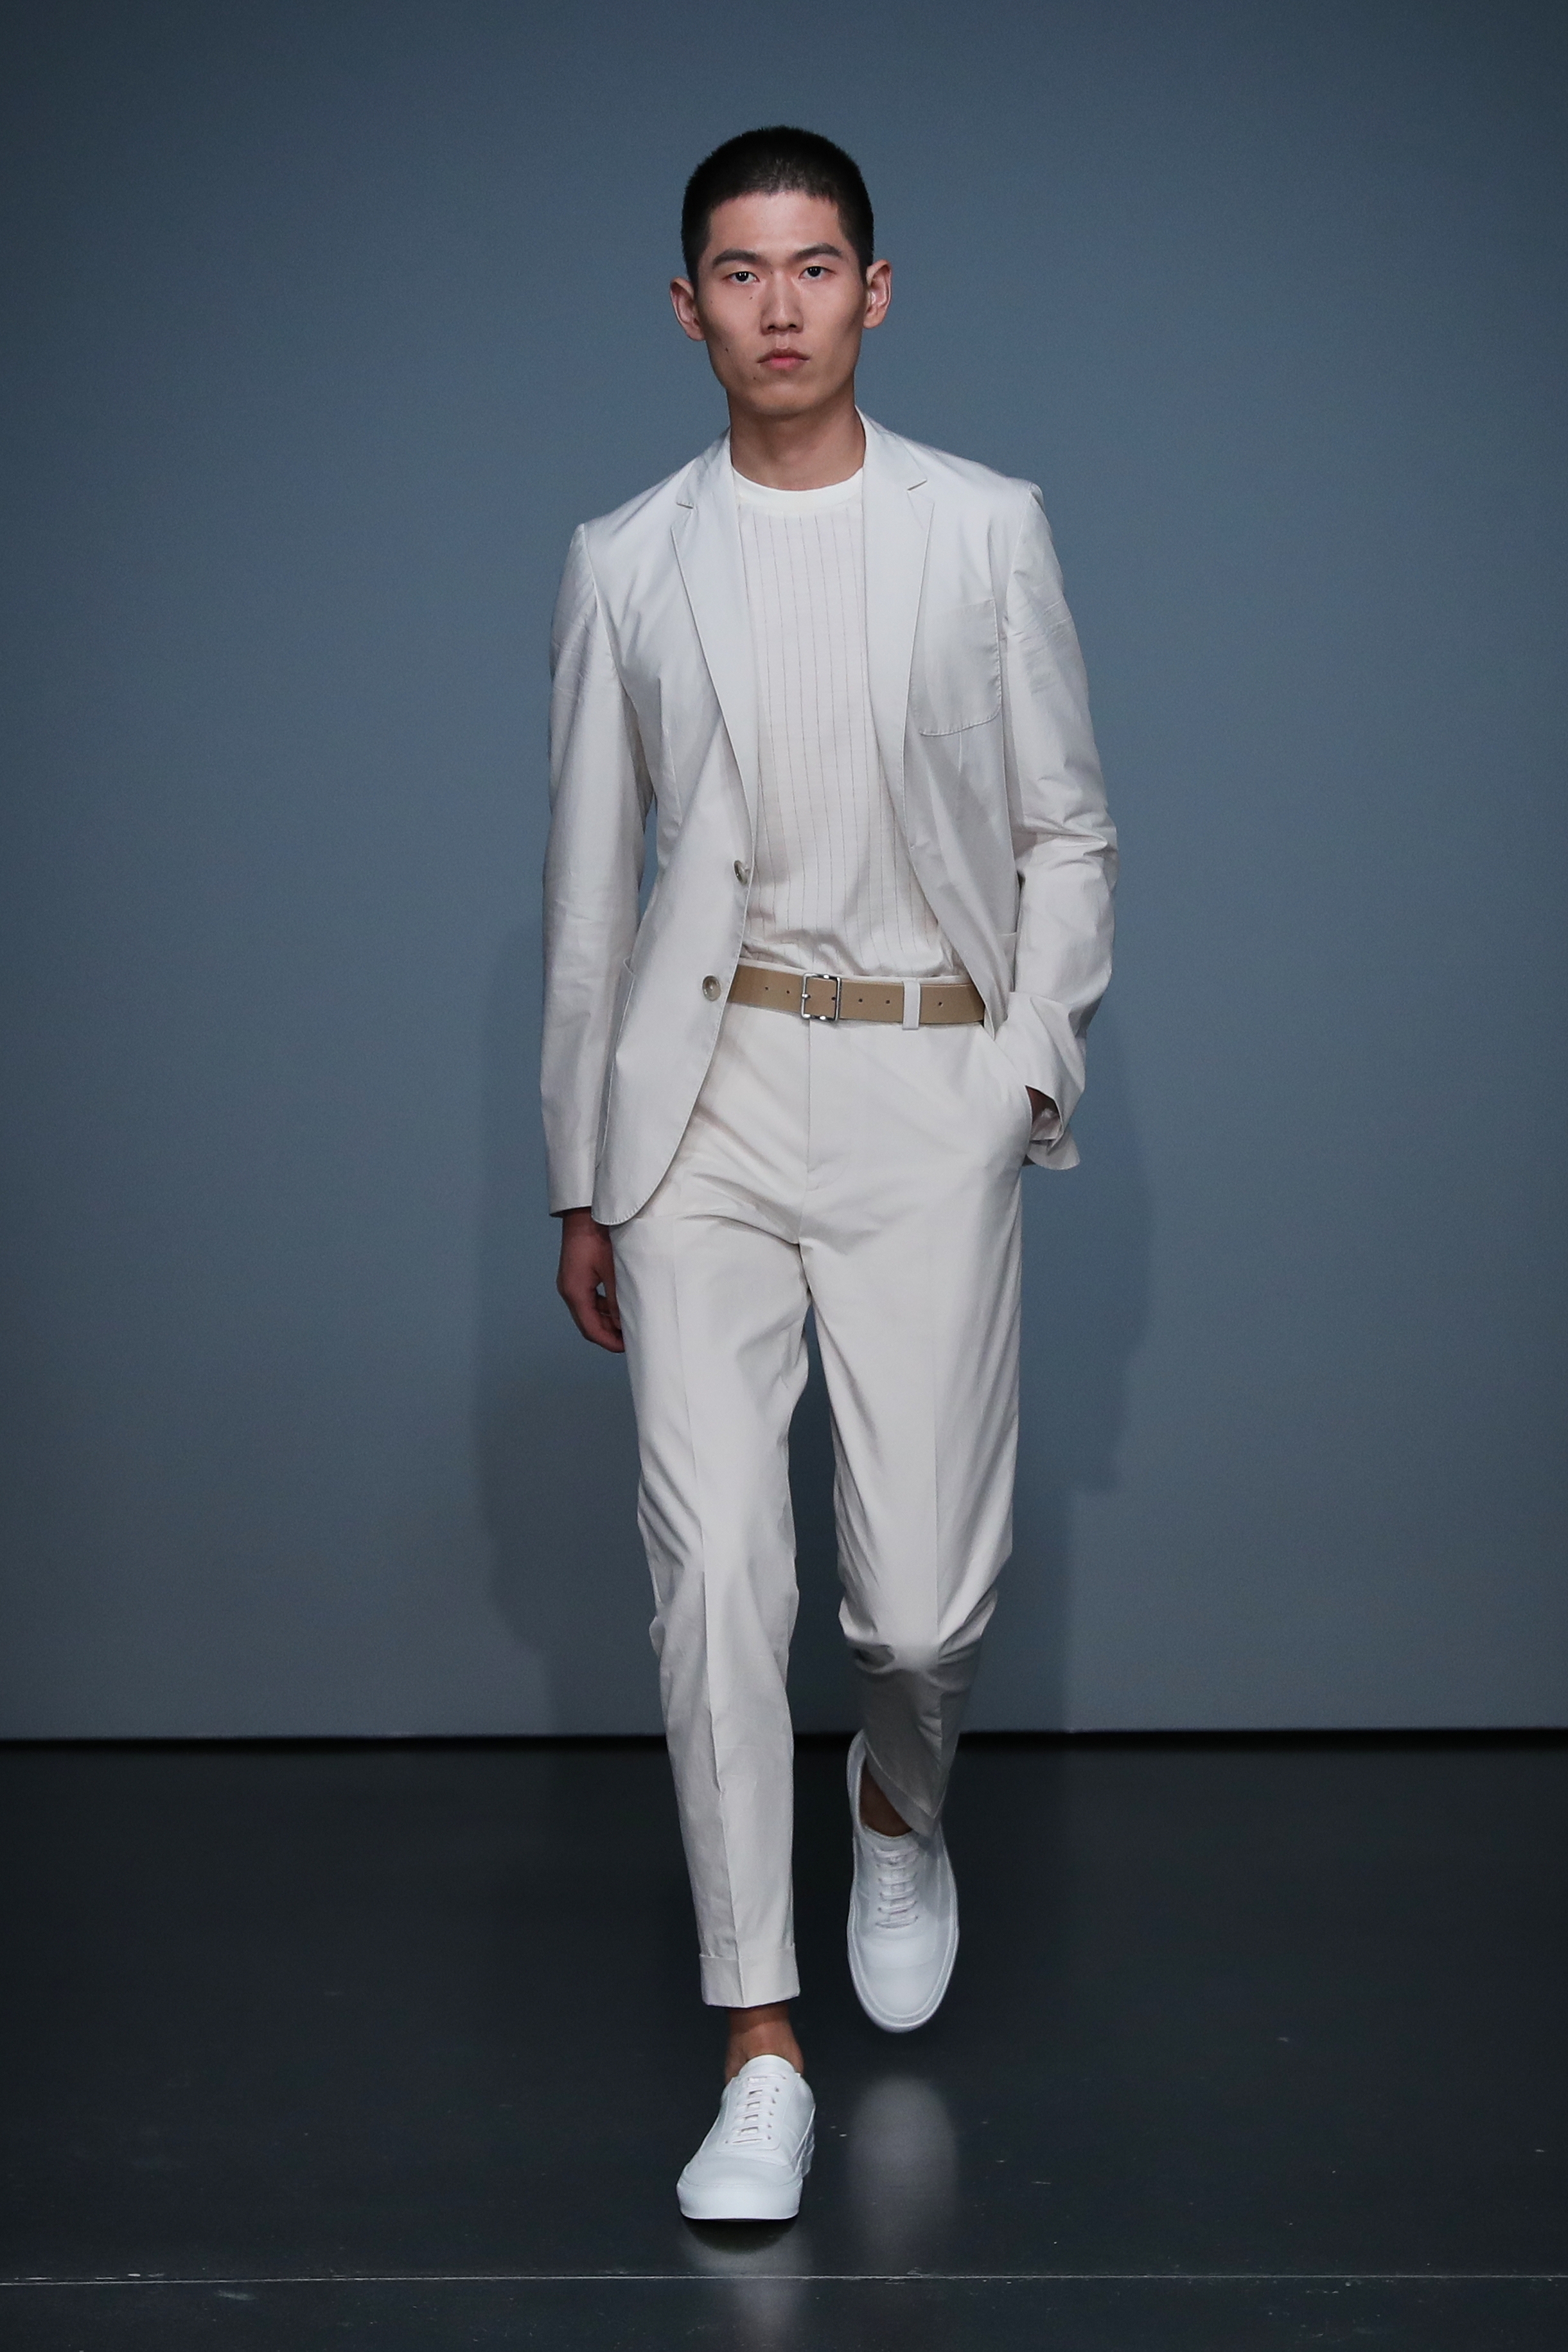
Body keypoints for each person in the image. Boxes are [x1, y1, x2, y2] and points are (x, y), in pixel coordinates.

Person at [542, 126, 1114, 2221]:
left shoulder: (982, 530)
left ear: (874, 290)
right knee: (714, 1576)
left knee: (922, 1597)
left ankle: (892, 1803)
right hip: (697, 1106)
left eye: (811, 266)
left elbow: (1065, 827)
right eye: (736, 269)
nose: (774, 305)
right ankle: (758, 2046)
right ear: (683, 305)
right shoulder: (626, 559)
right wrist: (580, 1172)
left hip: (919, 1087)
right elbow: (587, 890)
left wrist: (1018, 1070)